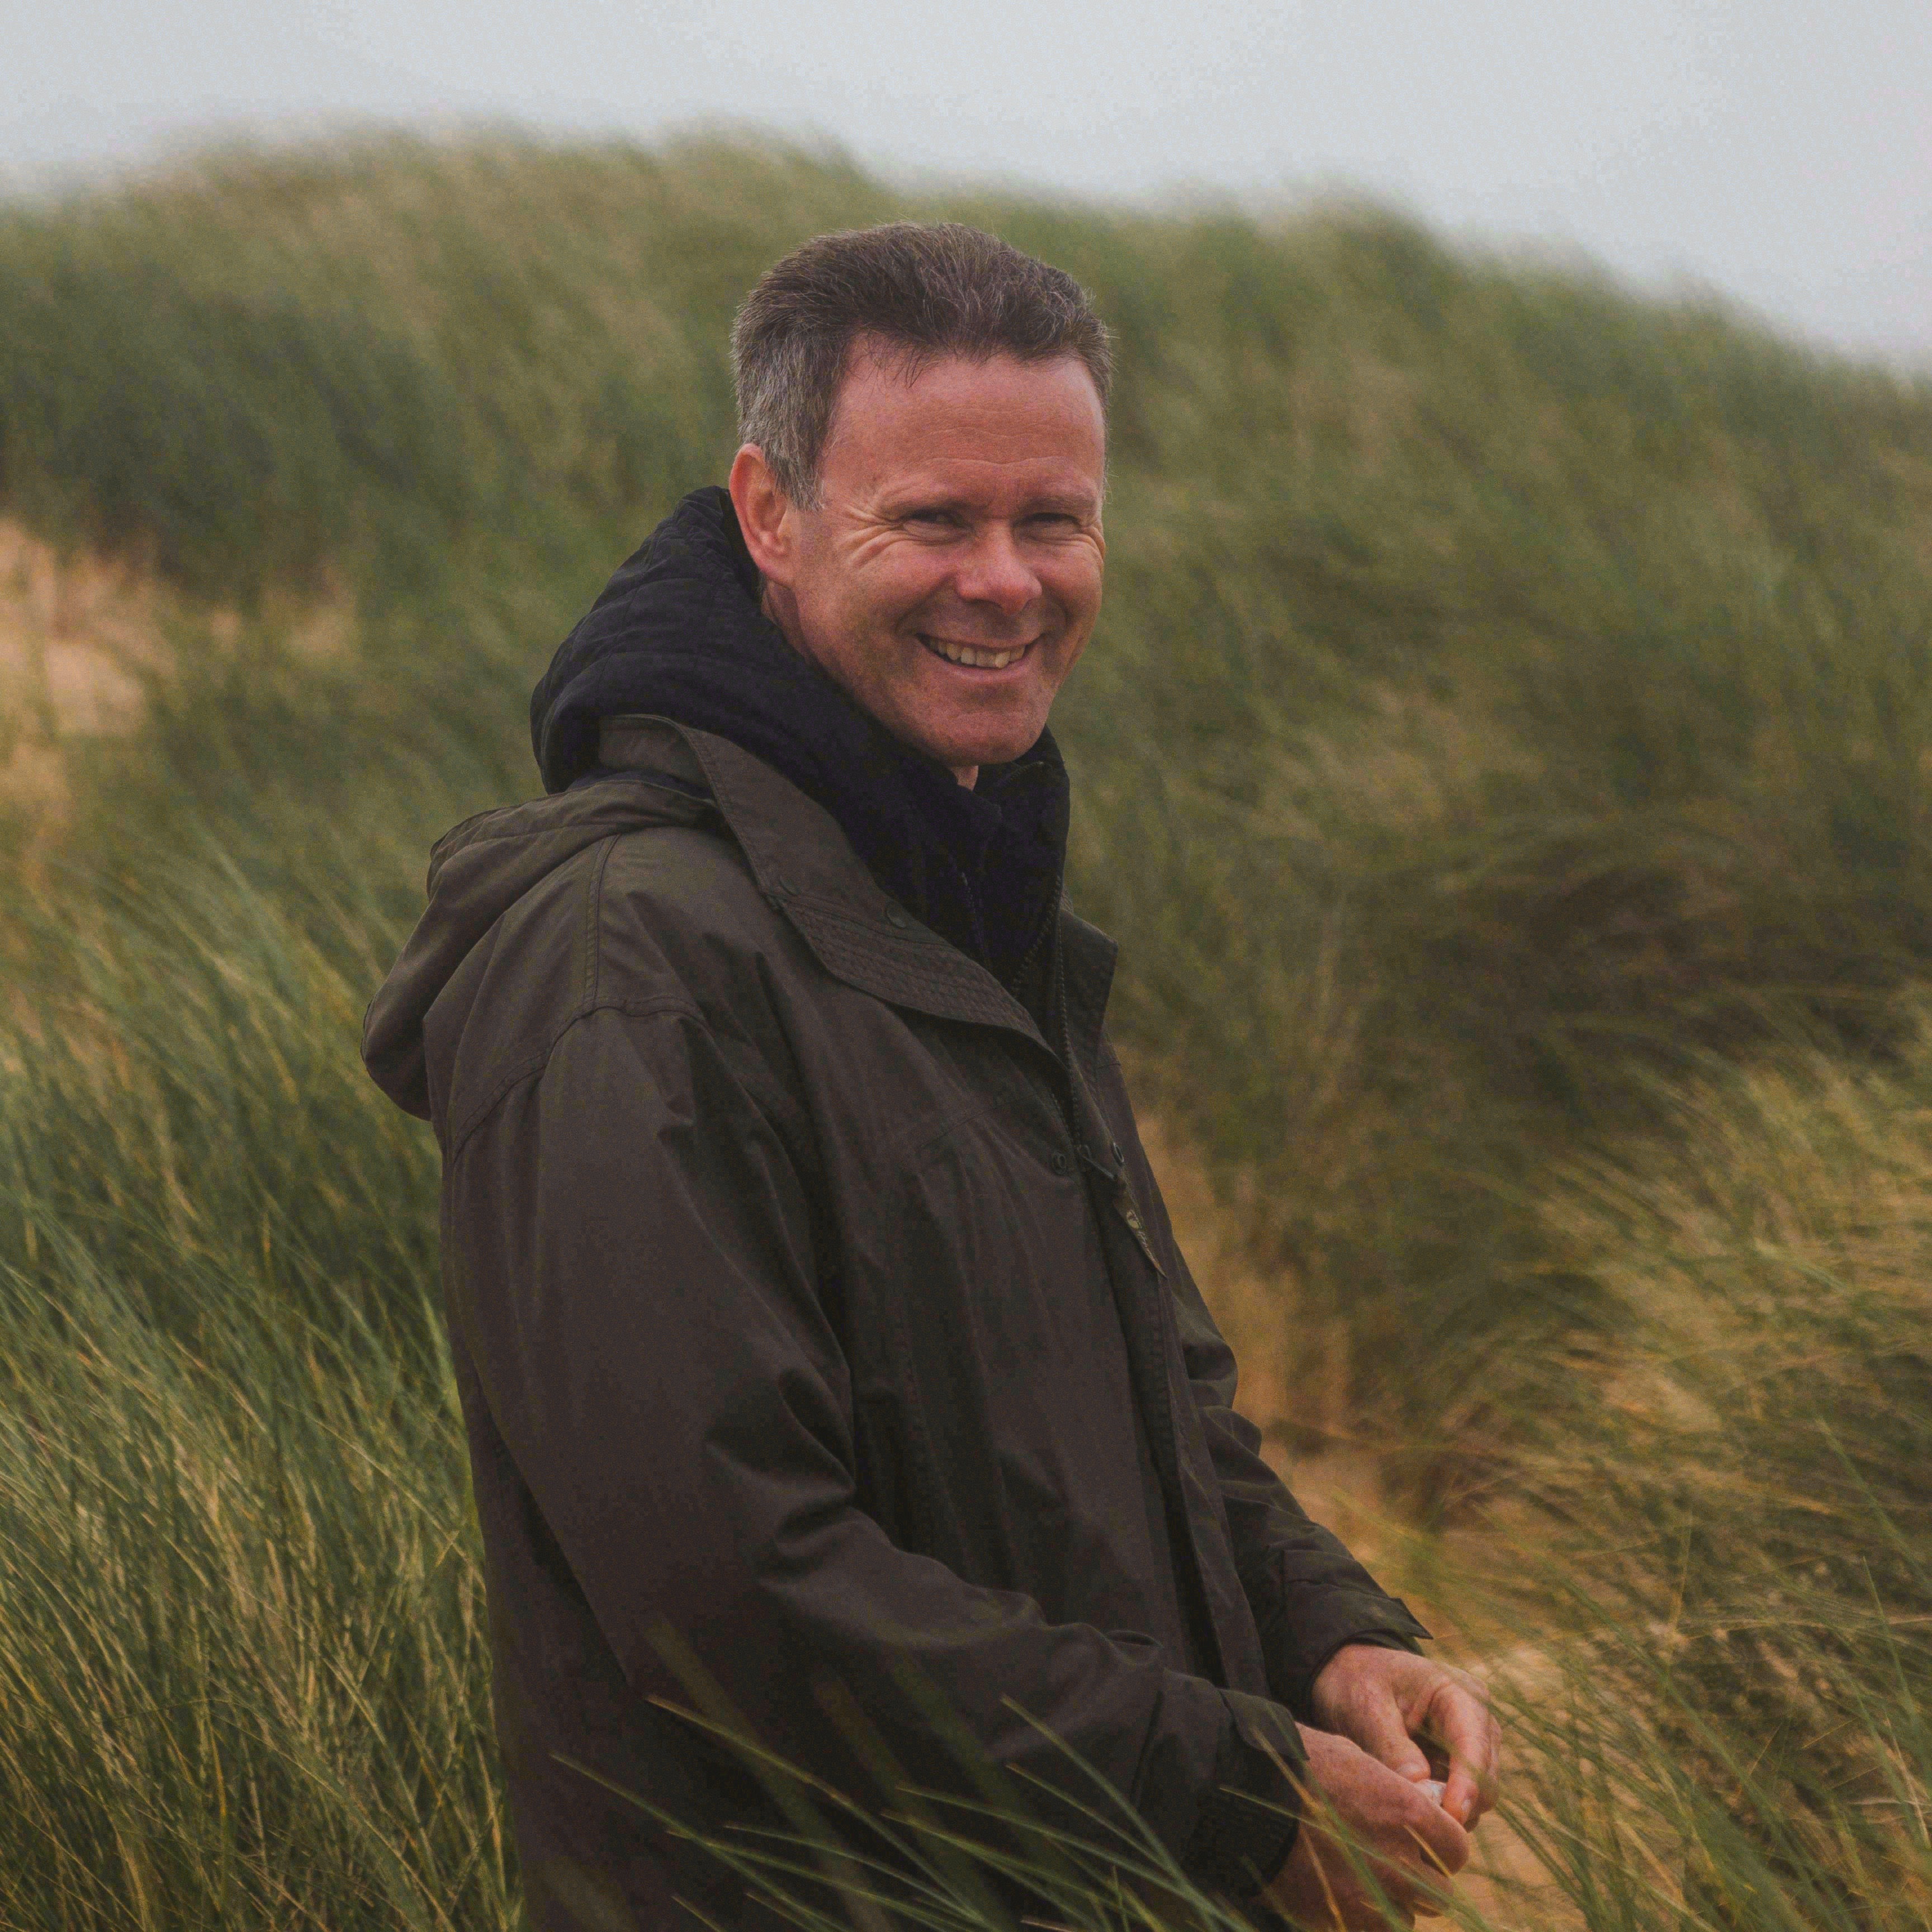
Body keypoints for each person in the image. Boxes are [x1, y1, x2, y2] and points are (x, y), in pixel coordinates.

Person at [364, 221, 1498, 1930]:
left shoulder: (964, 886)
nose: (1006, 583)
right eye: (935, 521)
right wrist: (1220, 1792)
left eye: (1054, 521)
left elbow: (1152, 1407)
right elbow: (729, 1590)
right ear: (771, 515)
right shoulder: (623, 964)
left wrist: (1327, 1637)